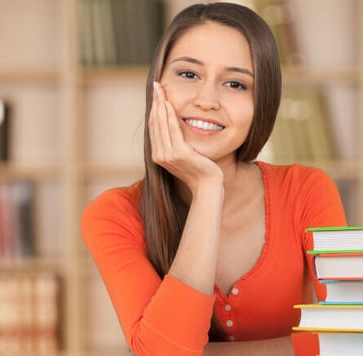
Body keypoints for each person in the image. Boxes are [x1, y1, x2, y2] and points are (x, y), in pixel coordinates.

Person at [80, 2, 347, 355]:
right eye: (188, 75)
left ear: (261, 103)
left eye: (235, 83)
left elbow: (348, 333)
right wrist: (207, 190)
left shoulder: (306, 191)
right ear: (157, 86)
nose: (207, 100)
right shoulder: (114, 215)